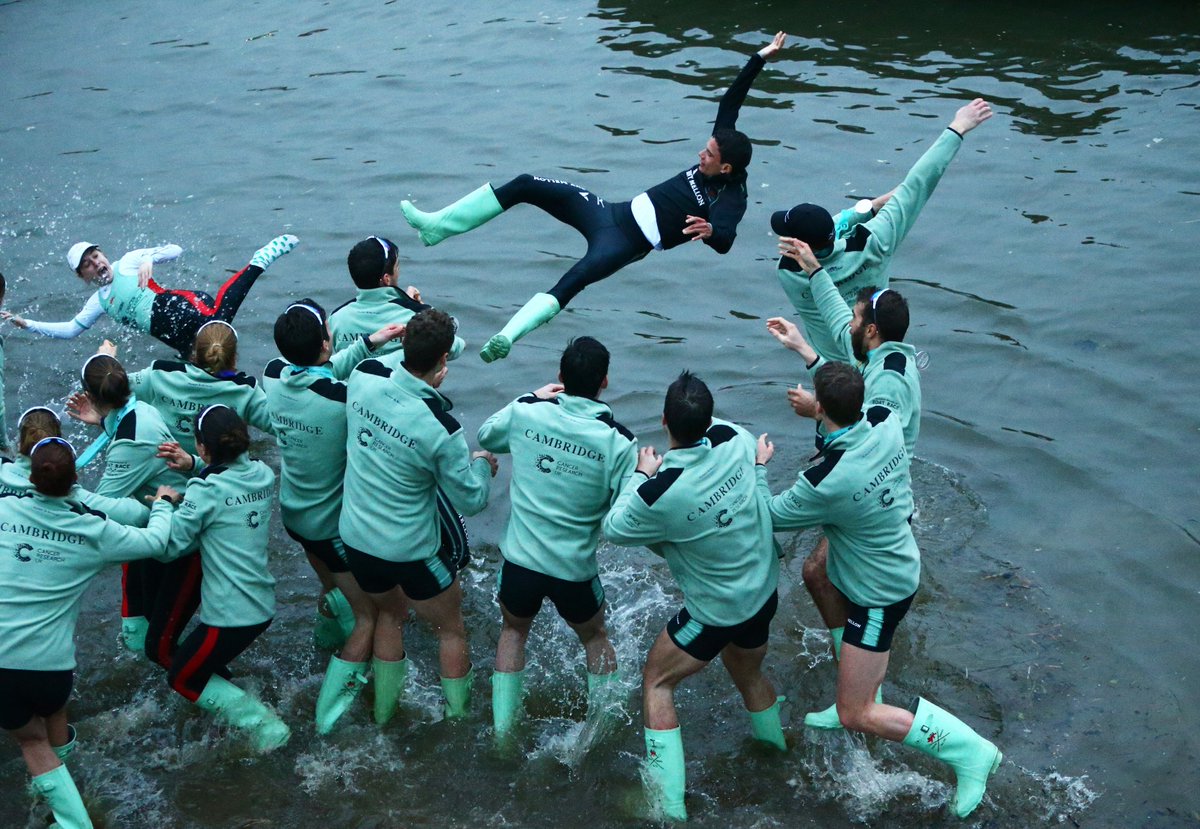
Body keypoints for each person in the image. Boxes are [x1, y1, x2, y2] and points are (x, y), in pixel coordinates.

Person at [400, 32, 788, 363]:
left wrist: (712, 233)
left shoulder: (731, 197)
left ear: (726, 168)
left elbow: (726, 240)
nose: (701, 155)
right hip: (608, 212)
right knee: (526, 183)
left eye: (709, 155)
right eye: (705, 148)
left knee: (572, 281)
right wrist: (759, 58)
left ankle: (507, 337)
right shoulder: (722, 145)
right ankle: (438, 227)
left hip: (624, 244)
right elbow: (730, 102)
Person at [762, 362, 1001, 819]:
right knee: (818, 574)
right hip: (897, 558)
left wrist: (756, 468)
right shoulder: (884, 420)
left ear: (822, 407)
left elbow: (768, 514)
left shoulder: (825, 482)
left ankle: (970, 752)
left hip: (879, 594)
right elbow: (846, 430)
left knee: (855, 714)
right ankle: (857, 687)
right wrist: (821, 412)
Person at [603, 371, 784, 821]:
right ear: (708, 418)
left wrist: (641, 473)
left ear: (664, 420)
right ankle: (776, 751)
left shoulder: (660, 491)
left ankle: (668, 808)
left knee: (657, 681)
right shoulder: (737, 439)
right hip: (763, 592)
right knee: (748, 673)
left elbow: (615, 527)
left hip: (716, 613)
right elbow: (714, 430)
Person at [768, 245, 924, 730]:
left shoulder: (888, 385)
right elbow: (855, 410)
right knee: (818, 571)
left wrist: (817, 412)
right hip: (874, 489)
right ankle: (855, 676)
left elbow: (857, 437)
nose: (849, 326)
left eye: (857, 319)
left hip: (876, 502)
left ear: (871, 331)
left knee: (820, 572)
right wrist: (815, 277)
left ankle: (863, 695)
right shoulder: (882, 360)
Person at [0, 437, 177, 829]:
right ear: (76, 480)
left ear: (30, 476)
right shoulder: (92, 529)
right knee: (53, 713)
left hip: (2, 666)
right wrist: (163, 503)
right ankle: (67, 793)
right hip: (52, 670)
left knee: (31, 741)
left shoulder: (4, 509)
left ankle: (68, 816)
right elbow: (155, 541)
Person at [476, 336, 637, 741]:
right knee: (594, 637)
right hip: (574, 571)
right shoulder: (619, 441)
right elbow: (625, 512)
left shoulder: (528, 412)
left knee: (513, 632)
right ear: (605, 381)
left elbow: (488, 435)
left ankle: (503, 733)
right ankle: (601, 729)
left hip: (521, 564)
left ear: (560, 376)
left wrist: (533, 395)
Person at [340, 309, 497, 723]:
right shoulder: (441, 428)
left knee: (390, 615)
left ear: (402, 343)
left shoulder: (363, 376)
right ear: (443, 360)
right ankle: (458, 721)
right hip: (409, 551)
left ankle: (382, 718)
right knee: (451, 630)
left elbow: (395, 366)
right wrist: (482, 464)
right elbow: (471, 500)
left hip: (356, 539)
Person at [263, 299, 404, 733]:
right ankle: (329, 715)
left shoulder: (273, 374)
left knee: (333, 588)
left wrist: (368, 343)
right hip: (330, 525)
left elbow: (318, 373)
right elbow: (371, 394)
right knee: (373, 614)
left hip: (295, 514)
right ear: (326, 342)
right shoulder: (343, 401)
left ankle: (323, 649)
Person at [771, 98, 992, 362]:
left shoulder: (789, 273)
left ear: (798, 246)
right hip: (881, 358)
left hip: (831, 372)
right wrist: (958, 127)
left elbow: (833, 233)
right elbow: (918, 183)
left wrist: (872, 206)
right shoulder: (875, 241)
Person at [157, 405, 289, 752]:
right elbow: (228, 481)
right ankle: (241, 706)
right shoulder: (263, 473)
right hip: (260, 603)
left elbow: (171, 546)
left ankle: (266, 726)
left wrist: (163, 504)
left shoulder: (205, 490)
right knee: (203, 665)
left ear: (202, 447)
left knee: (182, 677)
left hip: (230, 615)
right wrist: (195, 465)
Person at [66, 354, 187, 657]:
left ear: (90, 396)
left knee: (161, 649)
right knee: (138, 633)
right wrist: (102, 421)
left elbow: (99, 509)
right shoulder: (142, 408)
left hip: (180, 539)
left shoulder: (130, 442)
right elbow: (131, 439)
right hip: (159, 521)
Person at [1, 234, 298, 354]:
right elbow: (70, 330)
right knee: (207, 368)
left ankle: (259, 261)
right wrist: (28, 324)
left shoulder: (128, 262)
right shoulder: (98, 302)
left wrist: (149, 259)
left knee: (219, 322)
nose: (97, 264)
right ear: (83, 276)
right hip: (173, 337)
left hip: (179, 307)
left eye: (96, 256)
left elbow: (176, 250)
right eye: (88, 265)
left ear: (102, 253)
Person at [117, 319, 274, 454]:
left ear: (195, 353)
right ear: (234, 358)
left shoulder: (160, 374)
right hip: (219, 472)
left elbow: (115, 386)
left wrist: (108, 358)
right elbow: (281, 425)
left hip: (167, 466)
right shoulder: (246, 391)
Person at [0, 406, 151, 528]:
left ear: (19, 444)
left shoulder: (2, 468)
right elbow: (140, 516)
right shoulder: (76, 497)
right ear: (61, 445)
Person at [328, 236, 465, 360]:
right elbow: (456, 348)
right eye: (397, 266)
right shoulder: (415, 315)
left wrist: (406, 301)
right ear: (387, 279)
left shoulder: (336, 318)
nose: (398, 271)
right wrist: (424, 313)